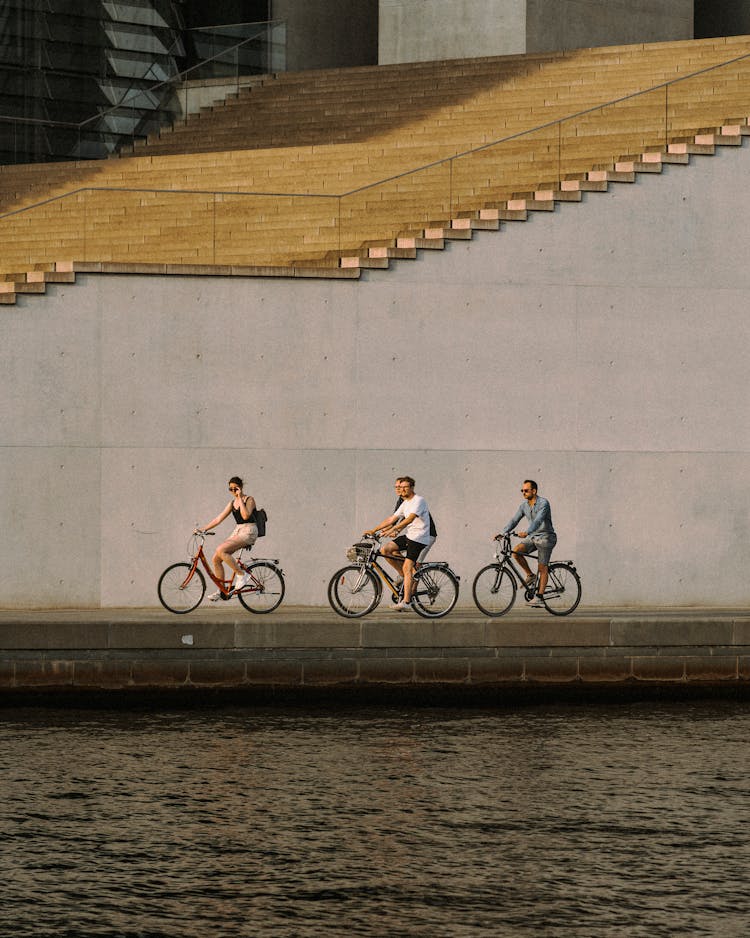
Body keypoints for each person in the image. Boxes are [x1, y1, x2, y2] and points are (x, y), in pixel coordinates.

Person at [364, 476, 434, 611]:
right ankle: (405, 577)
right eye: (400, 487)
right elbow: (392, 518)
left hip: (419, 538)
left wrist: (394, 529)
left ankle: (407, 602)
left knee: (408, 567)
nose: (402, 489)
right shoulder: (405, 502)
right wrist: (374, 530)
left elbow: (409, 519)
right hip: (410, 536)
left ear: (412, 487)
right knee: (385, 550)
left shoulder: (419, 500)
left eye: (405, 487)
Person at [196, 476, 258, 601]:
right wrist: (204, 529)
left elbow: (245, 516)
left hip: (249, 531)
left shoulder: (249, 499)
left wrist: (240, 497)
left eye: (236, 488)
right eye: (231, 489)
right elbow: (218, 519)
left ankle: (242, 574)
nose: (233, 491)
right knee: (216, 559)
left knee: (221, 549)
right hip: (238, 530)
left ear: (240, 488)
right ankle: (222, 591)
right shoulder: (231, 503)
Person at [498, 480, 557, 608]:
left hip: (546, 537)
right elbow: (514, 519)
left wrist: (527, 532)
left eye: (526, 490)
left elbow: (538, 520)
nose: (523, 493)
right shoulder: (524, 506)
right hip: (533, 537)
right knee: (517, 552)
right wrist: (503, 532)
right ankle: (530, 575)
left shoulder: (543, 503)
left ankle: (540, 598)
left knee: (542, 567)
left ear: (534, 491)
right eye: (522, 491)